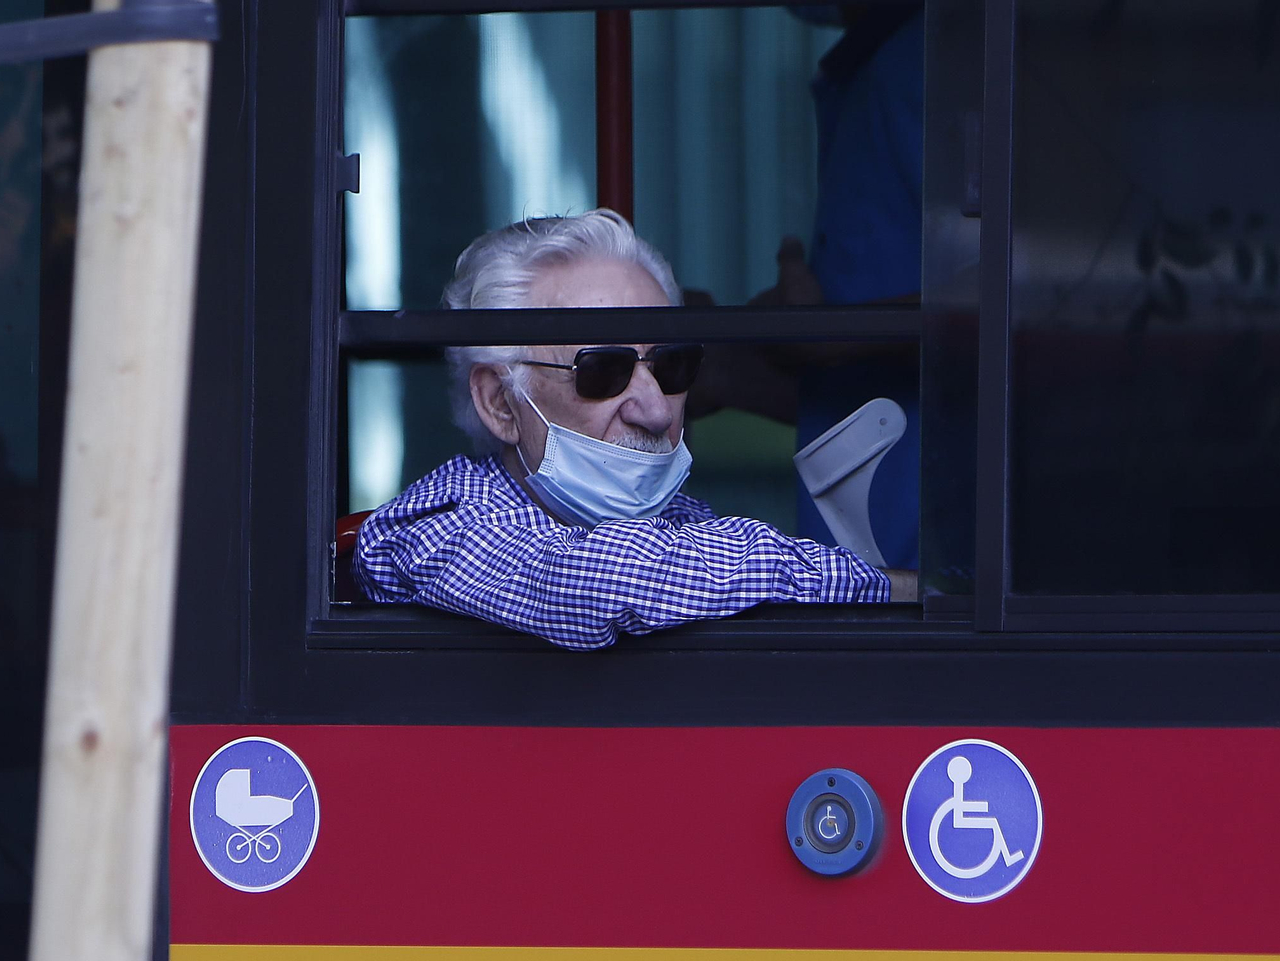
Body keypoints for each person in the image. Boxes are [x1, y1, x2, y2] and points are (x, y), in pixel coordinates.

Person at [354, 210, 912, 650]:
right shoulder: (433, 528)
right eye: (602, 370)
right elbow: (602, 581)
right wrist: (888, 588)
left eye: (669, 367)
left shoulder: (685, 523)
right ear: (501, 403)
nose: (656, 410)